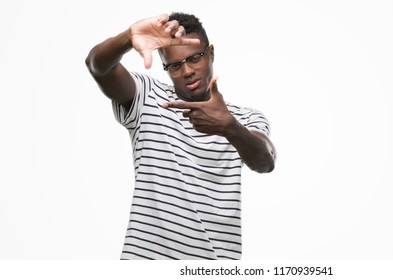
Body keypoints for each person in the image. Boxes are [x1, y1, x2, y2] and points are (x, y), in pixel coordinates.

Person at [85, 12, 276, 260]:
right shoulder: (147, 96)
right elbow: (97, 66)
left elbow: (266, 161)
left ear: (211, 54)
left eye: (195, 58)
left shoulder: (246, 118)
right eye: (174, 65)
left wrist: (229, 127)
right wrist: (128, 37)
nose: (187, 71)